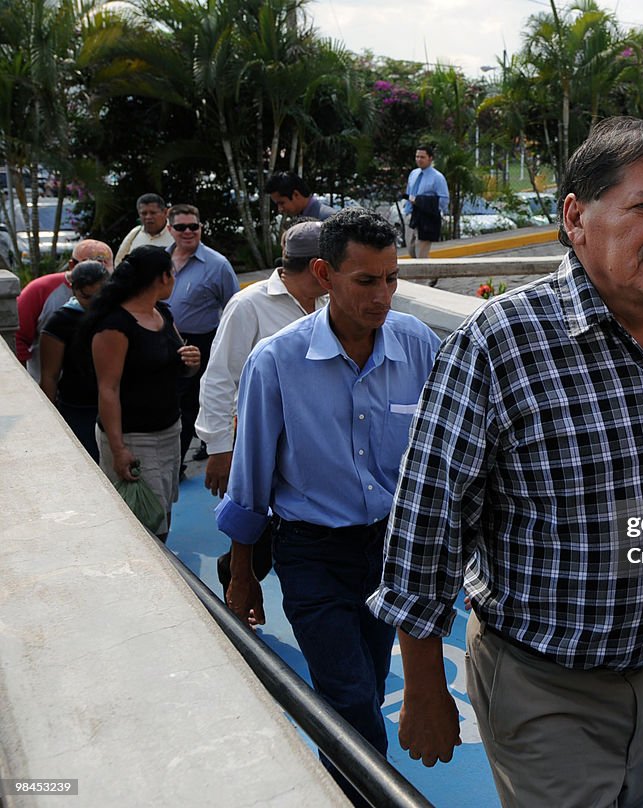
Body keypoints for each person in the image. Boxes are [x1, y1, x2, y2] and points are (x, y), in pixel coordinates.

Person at [368, 116, 643, 807]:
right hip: (546, 683)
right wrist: (423, 687)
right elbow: (427, 524)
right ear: (576, 217)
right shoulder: (500, 345)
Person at [215, 208, 439, 803]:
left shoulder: (418, 346)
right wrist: (242, 575)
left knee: (365, 682)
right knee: (344, 697)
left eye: (392, 278)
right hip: (312, 553)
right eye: (367, 281)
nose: (383, 295)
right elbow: (251, 476)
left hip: (391, 552)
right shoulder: (276, 363)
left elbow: (448, 451)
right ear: (324, 274)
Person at [194, 219, 328, 595]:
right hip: (259, 439)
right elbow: (220, 378)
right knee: (252, 534)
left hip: (310, 443)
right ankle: (235, 591)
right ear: (320, 265)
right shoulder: (249, 305)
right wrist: (219, 448)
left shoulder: (328, 304)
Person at [84, 246, 201, 540]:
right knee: (143, 522)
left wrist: (190, 363)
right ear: (162, 278)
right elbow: (107, 389)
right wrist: (119, 448)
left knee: (163, 510)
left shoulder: (161, 313)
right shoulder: (115, 325)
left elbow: (176, 365)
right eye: (172, 274)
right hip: (135, 438)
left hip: (168, 430)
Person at [165, 203, 240, 477]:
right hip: (166, 341)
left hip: (203, 341)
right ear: (170, 229)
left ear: (201, 228)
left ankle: (179, 463)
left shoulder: (217, 265)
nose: (188, 232)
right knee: (169, 402)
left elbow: (234, 306)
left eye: (193, 226)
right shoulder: (162, 260)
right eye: (181, 227)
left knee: (193, 405)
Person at [38, 260, 110, 461]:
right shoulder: (61, 321)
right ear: (74, 290)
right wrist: (51, 422)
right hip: (78, 408)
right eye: (86, 297)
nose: (94, 303)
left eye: (100, 296)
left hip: (114, 403)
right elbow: (49, 376)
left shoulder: (114, 314)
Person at [15, 239, 114, 380]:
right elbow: (18, 338)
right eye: (86, 295)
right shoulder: (39, 290)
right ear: (72, 265)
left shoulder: (114, 291)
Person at [402, 144, 448, 259]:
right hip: (411, 216)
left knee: (421, 252)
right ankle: (433, 274)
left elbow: (444, 199)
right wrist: (406, 210)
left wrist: (428, 206)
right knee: (411, 249)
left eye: (422, 157)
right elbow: (409, 193)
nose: (419, 160)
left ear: (430, 158)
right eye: (417, 157)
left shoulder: (437, 177)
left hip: (426, 218)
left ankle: (425, 276)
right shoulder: (413, 174)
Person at [114, 193, 175, 265]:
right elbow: (118, 263)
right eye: (144, 213)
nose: (148, 217)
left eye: (153, 213)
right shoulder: (134, 234)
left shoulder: (177, 234)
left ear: (165, 212)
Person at [265, 171, 336, 221]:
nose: (280, 209)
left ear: (296, 194)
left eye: (282, 203)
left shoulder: (328, 219)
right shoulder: (299, 218)